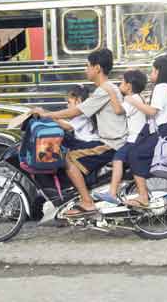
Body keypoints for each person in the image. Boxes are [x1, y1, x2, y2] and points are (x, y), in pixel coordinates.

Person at [31, 48, 127, 216]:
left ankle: (87, 202)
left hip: (111, 144)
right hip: (109, 140)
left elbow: (76, 112)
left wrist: (47, 114)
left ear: (97, 68)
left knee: (68, 158)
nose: (85, 69)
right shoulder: (106, 88)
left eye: (87, 66)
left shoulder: (104, 89)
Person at [125, 56, 167, 208]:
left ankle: (143, 196)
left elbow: (152, 112)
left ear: (159, 71)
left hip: (163, 130)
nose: (151, 73)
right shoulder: (166, 87)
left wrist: (133, 101)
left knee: (135, 154)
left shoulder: (160, 87)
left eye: (153, 70)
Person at [94, 69, 147, 204]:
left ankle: (112, 193)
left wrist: (111, 92)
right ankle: (115, 190)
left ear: (129, 86)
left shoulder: (132, 98)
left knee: (118, 159)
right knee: (118, 159)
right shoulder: (135, 98)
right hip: (136, 138)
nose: (120, 84)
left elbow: (118, 110)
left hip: (135, 139)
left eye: (122, 82)